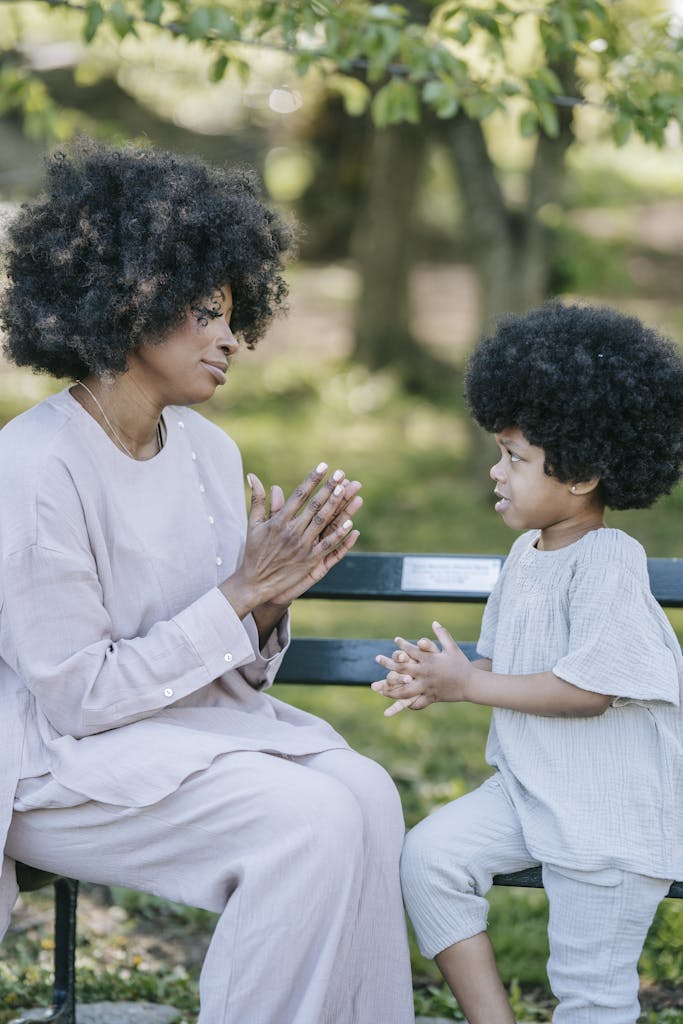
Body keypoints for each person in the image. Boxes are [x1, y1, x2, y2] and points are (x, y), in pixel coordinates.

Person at [0, 138, 415, 1024]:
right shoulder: (35, 466)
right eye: (205, 311)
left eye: (234, 315)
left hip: (181, 737)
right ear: (130, 296)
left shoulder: (210, 450)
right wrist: (233, 599)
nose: (232, 338)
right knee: (308, 822)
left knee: (369, 796)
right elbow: (74, 698)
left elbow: (232, 667)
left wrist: (266, 606)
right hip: (55, 767)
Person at [371, 300, 683, 1024]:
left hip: (608, 817)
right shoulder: (524, 554)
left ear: (579, 474)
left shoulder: (608, 560)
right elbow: (495, 662)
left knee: (590, 990)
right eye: (500, 450)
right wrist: (438, 677)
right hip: (531, 789)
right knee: (429, 860)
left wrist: (472, 684)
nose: (496, 469)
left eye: (516, 456)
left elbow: (589, 691)